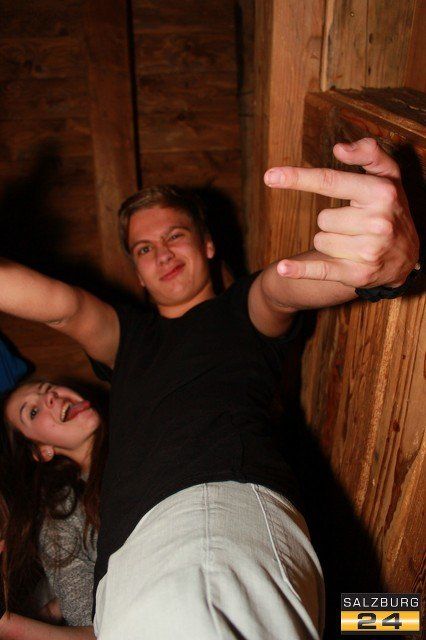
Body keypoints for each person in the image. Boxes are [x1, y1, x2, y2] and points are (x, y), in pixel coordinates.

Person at [0, 138, 420, 639]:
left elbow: (285, 284)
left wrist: (370, 266)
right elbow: (60, 307)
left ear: (208, 245)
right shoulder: (126, 339)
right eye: (144, 249)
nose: (162, 255)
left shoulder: (243, 308)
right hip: (125, 577)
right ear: (137, 272)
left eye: (175, 236)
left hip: (210, 523)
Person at [0, 379, 106, 639]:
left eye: (47, 388)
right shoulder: (61, 521)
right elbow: (98, 628)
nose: (50, 396)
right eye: (33, 412)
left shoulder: (141, 424)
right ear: (42, 451)